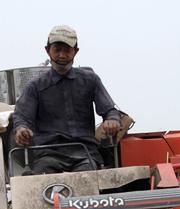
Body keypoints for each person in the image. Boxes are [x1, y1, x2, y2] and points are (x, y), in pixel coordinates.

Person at [13, 25, 121, 174]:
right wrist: (21, 129)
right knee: (38, 180)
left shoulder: (91, 80)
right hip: (48, 154)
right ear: (47, 50)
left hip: (85, 153)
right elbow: (21, 117)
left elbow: (110, 110)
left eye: (67, 50)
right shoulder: (35, 86)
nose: (62, 55)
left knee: (87, 178)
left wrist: (112, 120)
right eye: (57, 50)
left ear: (76, 51)